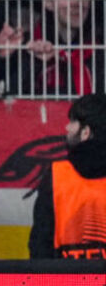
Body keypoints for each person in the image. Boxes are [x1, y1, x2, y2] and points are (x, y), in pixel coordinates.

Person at [29, 93, 106, 258]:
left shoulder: (57, 174)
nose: (67, 128)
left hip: (66, 281)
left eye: (73, 122)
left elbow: (39, 244)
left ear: (85, 132)